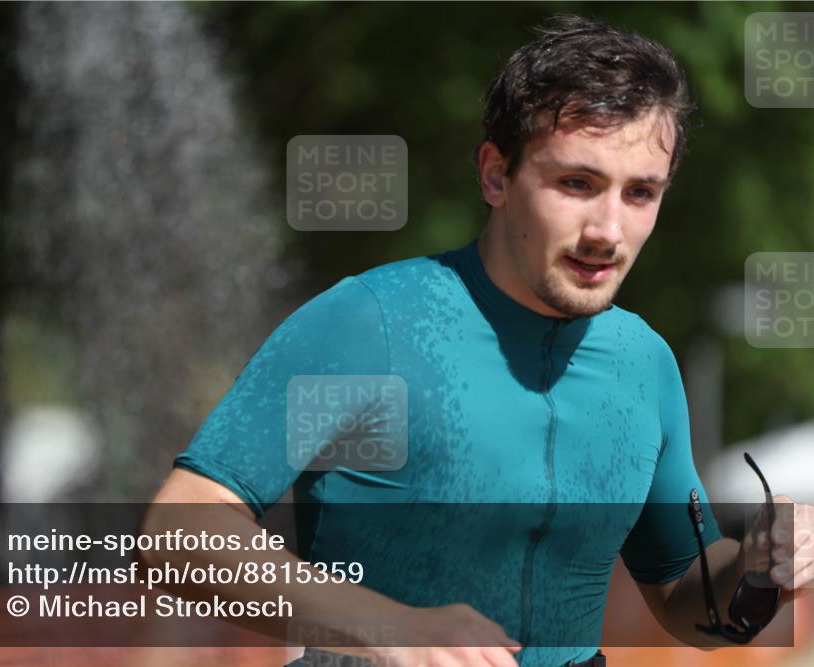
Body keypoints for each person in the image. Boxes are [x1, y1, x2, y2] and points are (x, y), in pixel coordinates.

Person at [144, 14, 813, 667]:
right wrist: (389, 627)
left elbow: (681, 593)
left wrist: (755, 562)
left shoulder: (645, 365)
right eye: (576, 183)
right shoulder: (369, 324)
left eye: (640, 192)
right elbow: (180, 531)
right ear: (496, 175)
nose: (608, 229)